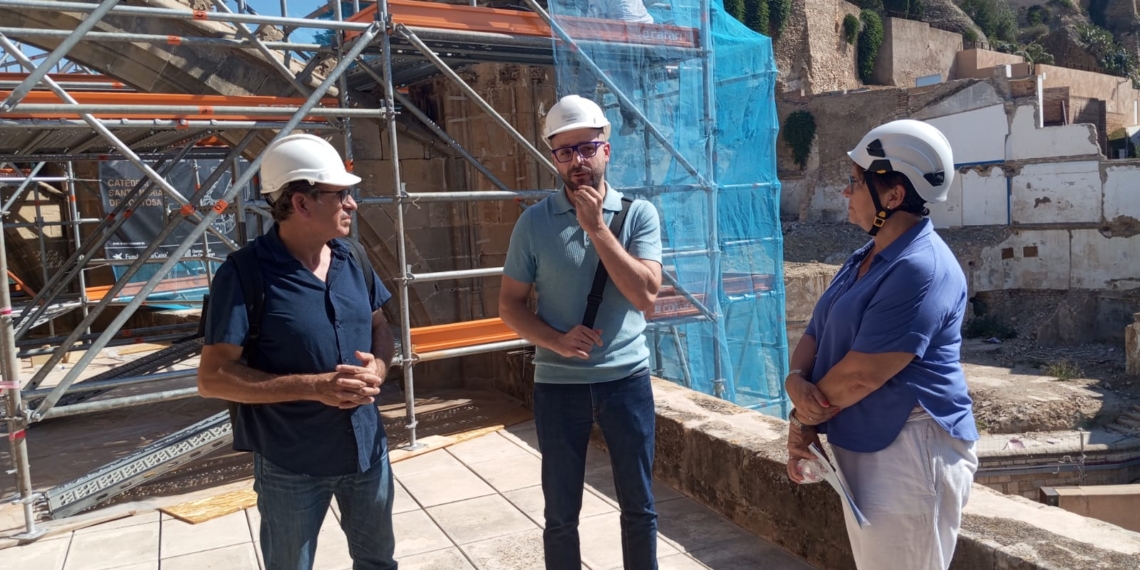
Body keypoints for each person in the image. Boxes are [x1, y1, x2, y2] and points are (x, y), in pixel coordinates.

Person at [783, 120, 979, 570]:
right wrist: (796, 381)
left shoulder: (921, 268)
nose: (845, 193)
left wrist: (801, 418)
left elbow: (861, 374)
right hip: (870, 443)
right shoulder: (864, 258)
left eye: (855, 182)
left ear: (893, 196)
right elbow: (816, 332)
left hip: (911, 450)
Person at [197, 133, 398, 570]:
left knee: (378, 563)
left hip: (368, 452)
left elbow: (383, 327)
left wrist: (379, 367)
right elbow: (213, 377)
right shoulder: (244, 274)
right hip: (292, 463)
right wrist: (314, 387)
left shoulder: (354, 258)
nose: (352, 204)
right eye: (340, 194)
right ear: (302, 203)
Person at [499, 94, 663, 570]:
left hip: (626, 381)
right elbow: (509, 305)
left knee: (639, 508)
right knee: (560, 514)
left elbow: (645, 297)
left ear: (606, 150)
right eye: (565, 151)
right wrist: (555, 340)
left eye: (587, 148)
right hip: (558, 385)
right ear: (554, 158)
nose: (577, 161)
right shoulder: (533, 224)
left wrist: (597, 229)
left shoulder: (637, 215)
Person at [558, 0, 656, 136]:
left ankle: (582, 108)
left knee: (590, 57)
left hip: (624, 30)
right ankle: (629, 112)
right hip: (645, 29)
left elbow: (596, 18)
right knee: (619, 64)